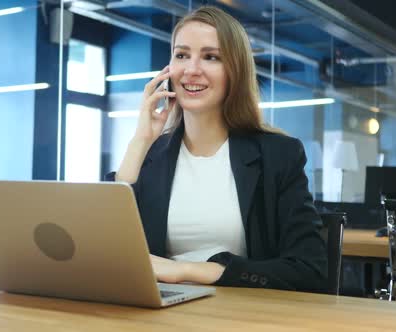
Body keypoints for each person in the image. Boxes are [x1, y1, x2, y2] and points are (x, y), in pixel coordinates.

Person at [106, 6, 327, 292]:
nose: (191, 69)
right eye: (182, 55)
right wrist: (140, 141)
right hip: (158, 311)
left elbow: (310, 270)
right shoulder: (150, 154)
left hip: (241, 313)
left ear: (234, 71)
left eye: (210, 57)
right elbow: (106, 252)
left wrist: (189, 270)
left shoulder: (279, 154)